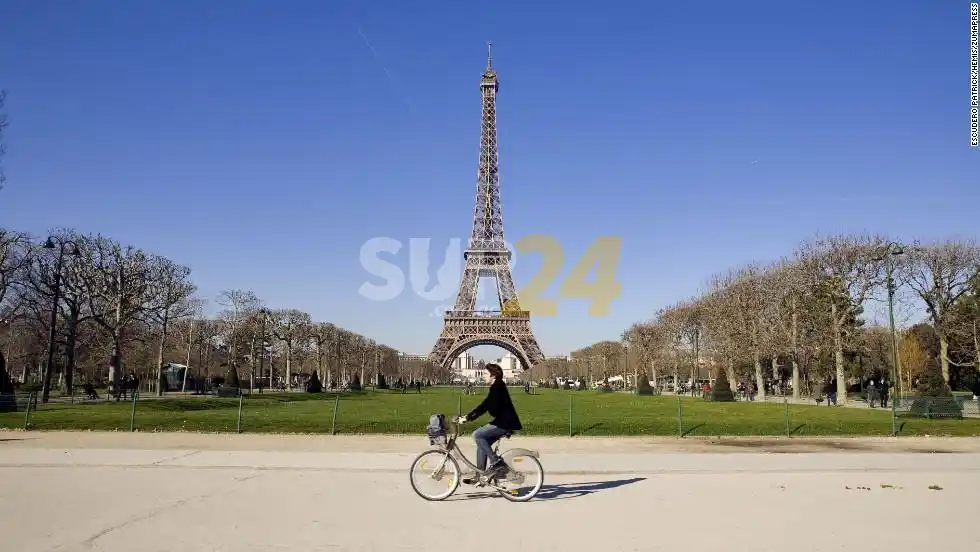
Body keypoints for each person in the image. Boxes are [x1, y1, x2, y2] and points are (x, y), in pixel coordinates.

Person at [455, 363, 522, 485]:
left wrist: (469, 417)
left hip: (505, 423)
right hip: (503, 421)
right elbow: (485, 405)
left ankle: (497, 463)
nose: (483, 375)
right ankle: (480, 475)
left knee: (477, 435)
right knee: (482, 444)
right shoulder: (496, 386)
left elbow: (488, 406)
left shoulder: (498, 387)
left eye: (485, 373)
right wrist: (468, 417)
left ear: (493, 375)